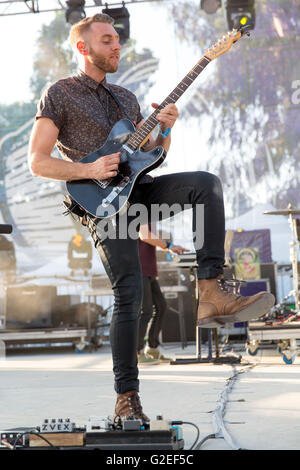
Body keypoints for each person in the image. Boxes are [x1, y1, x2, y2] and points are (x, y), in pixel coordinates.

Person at [28, 13, 275, 425]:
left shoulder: (126, 98)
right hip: (102, 202)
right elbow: (37, 162)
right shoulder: (60, 93)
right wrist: (89, 170)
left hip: (139, 192)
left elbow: (151, 156)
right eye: (106, 40)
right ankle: (126, 397)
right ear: (83, 48)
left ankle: (211, 289)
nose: (116, 46)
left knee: (207, 185)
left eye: (117, 40)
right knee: (131, 298)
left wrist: (166, 130)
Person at [138, 224, 189, 365]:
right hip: (139, 269)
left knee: (161, 307)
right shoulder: (141, 207)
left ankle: (152, 349)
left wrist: (172, 247)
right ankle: (136, 353)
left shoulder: (150, 213)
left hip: (148, 269)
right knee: (145, 311)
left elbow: (152, 238)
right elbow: (144, 236)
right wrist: (169, 245)